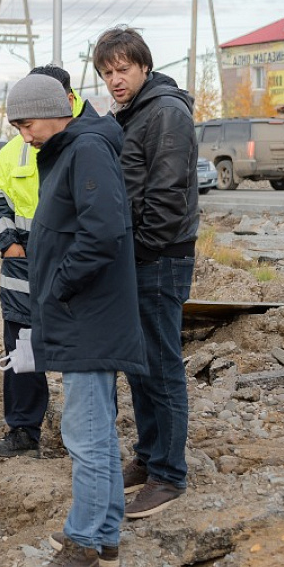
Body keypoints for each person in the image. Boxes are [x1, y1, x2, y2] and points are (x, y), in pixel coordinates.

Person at [0, 73, 145, 567]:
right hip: (85, 313)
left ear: (51, 111)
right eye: (17, 127)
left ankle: (82, 546)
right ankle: (103, 538)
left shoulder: (85, 149)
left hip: (89, 314)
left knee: (84, 434)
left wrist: (59, 285)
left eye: (27, 124)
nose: (25, 136)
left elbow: (102, 231)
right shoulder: (73, 148)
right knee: (96, 430)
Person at [95, 26, 198, 520]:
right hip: (138, 257)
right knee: (139, 365)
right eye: (106, 72)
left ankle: (169, 475)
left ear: (144, 66)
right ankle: (150, 456)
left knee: (160, 366)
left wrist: (138, 252)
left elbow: (167, 197)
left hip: (159, 257)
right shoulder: (131, 112)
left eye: (123, 69)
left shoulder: (165, 113)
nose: (115, 79)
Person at [0, 65, 83, 459]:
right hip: (22, 274)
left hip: (73, 272)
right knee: (22, 353)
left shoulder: (88, 142)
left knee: (82, 354)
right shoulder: (15, 149)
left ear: (65, 101)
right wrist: (9, 244)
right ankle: (24, 430)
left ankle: (86, 436)